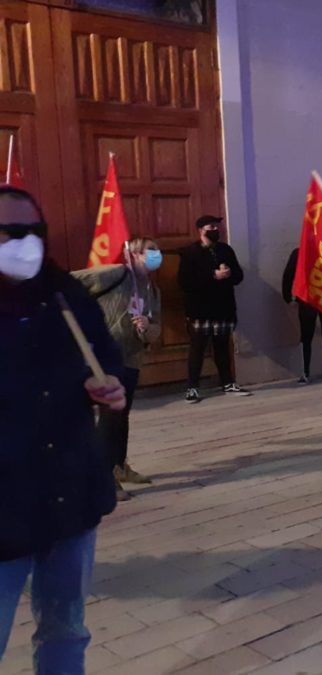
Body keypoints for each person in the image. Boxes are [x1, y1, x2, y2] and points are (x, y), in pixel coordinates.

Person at [0, 186, 126, 672]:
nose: (23, 243)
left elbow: (106, 361)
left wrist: (111, 386)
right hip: (4, 507)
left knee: (66, 630)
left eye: (33, 231)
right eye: (9, 233)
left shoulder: (64, 295)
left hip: (68, 495)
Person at [72, 237, 163, 501]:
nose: (157, 256)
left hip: (131, 358)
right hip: (102, 358)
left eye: (158, 252)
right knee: (110, 416)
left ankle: (119, 466)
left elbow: (156, 330)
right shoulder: (114, 274)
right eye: (151, 251)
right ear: (133, 254)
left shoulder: (153, 290)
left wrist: (148, 327)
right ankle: (102, 477)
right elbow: (70, 283)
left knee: (122, 415)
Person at [177, 215, 251, 403]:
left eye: (217, 227)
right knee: (198, 349)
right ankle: (192, 387)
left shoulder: (226, 250)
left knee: (222, 347)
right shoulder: (190, 252)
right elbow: (185, 282)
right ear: (201, 229)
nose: (216, 230)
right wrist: (213, 276)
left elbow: (239, 276)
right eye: (212, 227)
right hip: (200, 310)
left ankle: (227, 383)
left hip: (223, 308)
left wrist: (229, 274)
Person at [281, 247, 322, 384]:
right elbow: (289, 274)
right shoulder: (300, 252)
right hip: (307, 300)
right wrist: (288, 297)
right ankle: (305, 372)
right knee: (306, 336)